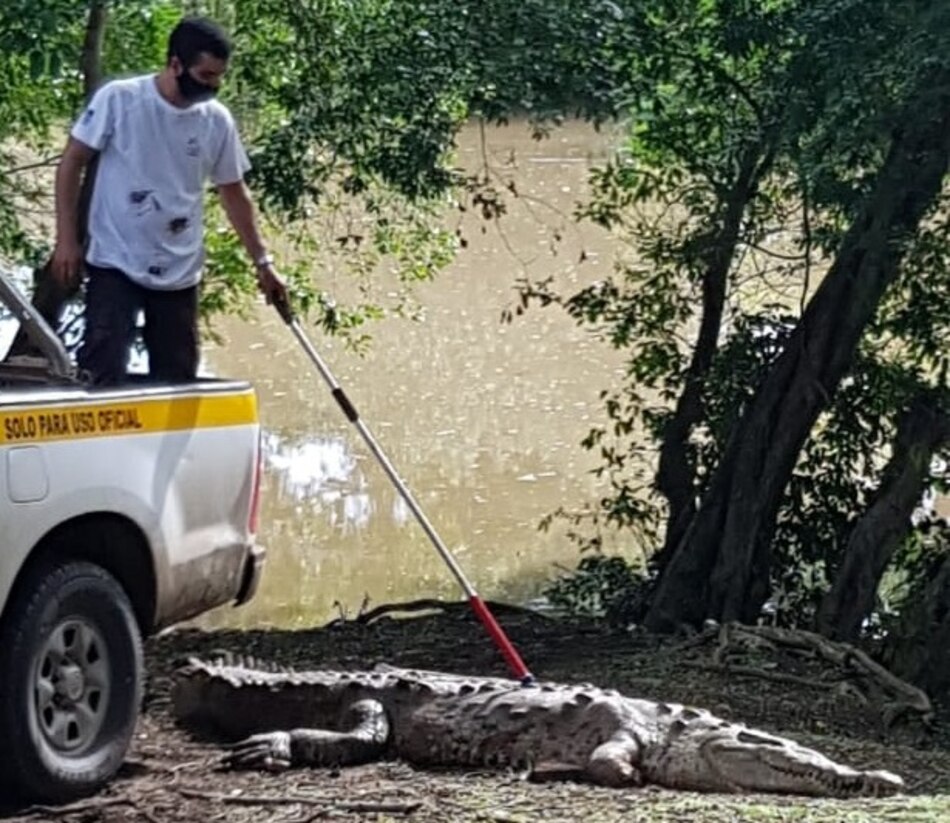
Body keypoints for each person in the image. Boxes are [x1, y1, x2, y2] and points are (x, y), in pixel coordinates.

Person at [50, 16, 288, 384]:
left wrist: (263, 261)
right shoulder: (121, 100)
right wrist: (66, 240)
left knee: (178, 380)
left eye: (219, 76)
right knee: (101, 367)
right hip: (116, 260)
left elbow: (234, 193)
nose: (214, 86)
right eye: (206, 76)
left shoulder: (217, 121)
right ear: (176, 64)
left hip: (179, 268)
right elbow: (71, 163)